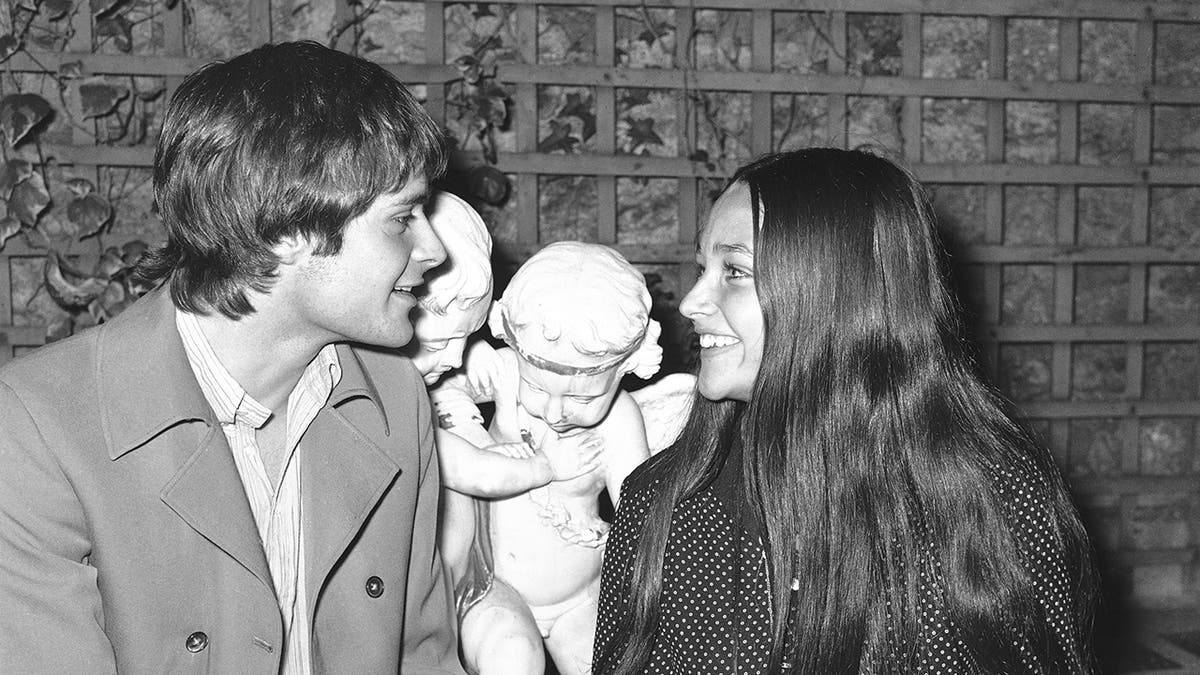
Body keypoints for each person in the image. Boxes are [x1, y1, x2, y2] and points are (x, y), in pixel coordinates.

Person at [0, 41, 465, 673]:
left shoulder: (394, 398)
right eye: (402, 217)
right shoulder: (34, 429)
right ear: (289, 231)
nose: (434, 247)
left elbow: (423, 659)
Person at [593, 148, 1098, 674]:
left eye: (734, 271)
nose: (692, 301)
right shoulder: (665, 500)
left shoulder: (994, 501)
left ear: (838, 293)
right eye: (703, 268)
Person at [433, 241, 661, 675]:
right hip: (495, 585)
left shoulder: (618, 422)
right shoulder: (505, 372)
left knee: (606, 664)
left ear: (625, 367)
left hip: (580, 597)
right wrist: (476, 439)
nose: (555, 413)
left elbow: (640, 518)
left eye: (582, 397)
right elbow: (440, 387)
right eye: (537, 390)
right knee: (513, 659)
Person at [404, 191, 604, 598]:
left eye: (467, 336)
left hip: (477, 576)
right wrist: (546, 466)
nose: (456, 355)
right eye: (441, 342)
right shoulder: (395, 411)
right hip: (431, 597)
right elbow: (478, 472)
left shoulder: (440, 374)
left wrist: (478, 352)